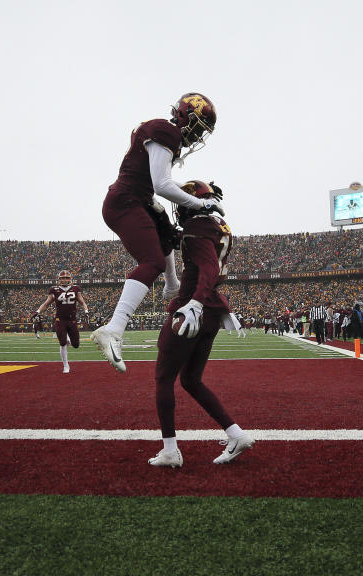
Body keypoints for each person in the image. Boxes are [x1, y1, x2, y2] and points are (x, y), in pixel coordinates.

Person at [91, 93, 221, 372]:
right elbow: (162, 184)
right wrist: (201, 203)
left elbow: (152, 184)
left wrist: (158, 210)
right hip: (126, 201)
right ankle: (113, 329)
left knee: (168, 233)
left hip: (135, 199)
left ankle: (171, 285)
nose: (198, 136)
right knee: (152, 263)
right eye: (198, 127)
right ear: (186, 117)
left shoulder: (163, 133)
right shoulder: (166, 131)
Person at [149, 180, 253, 467]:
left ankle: (170, 449)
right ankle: (236, 433)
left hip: (193, 309)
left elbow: (208, 267)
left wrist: (193, 302)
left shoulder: (197, 227)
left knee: (163, 378)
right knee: (191, 380)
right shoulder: (218, 225)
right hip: (212, 310)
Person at [35, 270, 89, 374]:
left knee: (76, 345)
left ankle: (67, 337)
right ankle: (66, 365)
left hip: (72, 320)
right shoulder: (54, 289)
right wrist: (37, 312)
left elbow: (82, 302)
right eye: (63, 278)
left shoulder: (76, 288)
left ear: (70, 279)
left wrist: (86, 311)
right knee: (63, 343)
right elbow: (46, 304)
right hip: (60, 320)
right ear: (59, 279)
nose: (65, 280)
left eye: (67, 278)